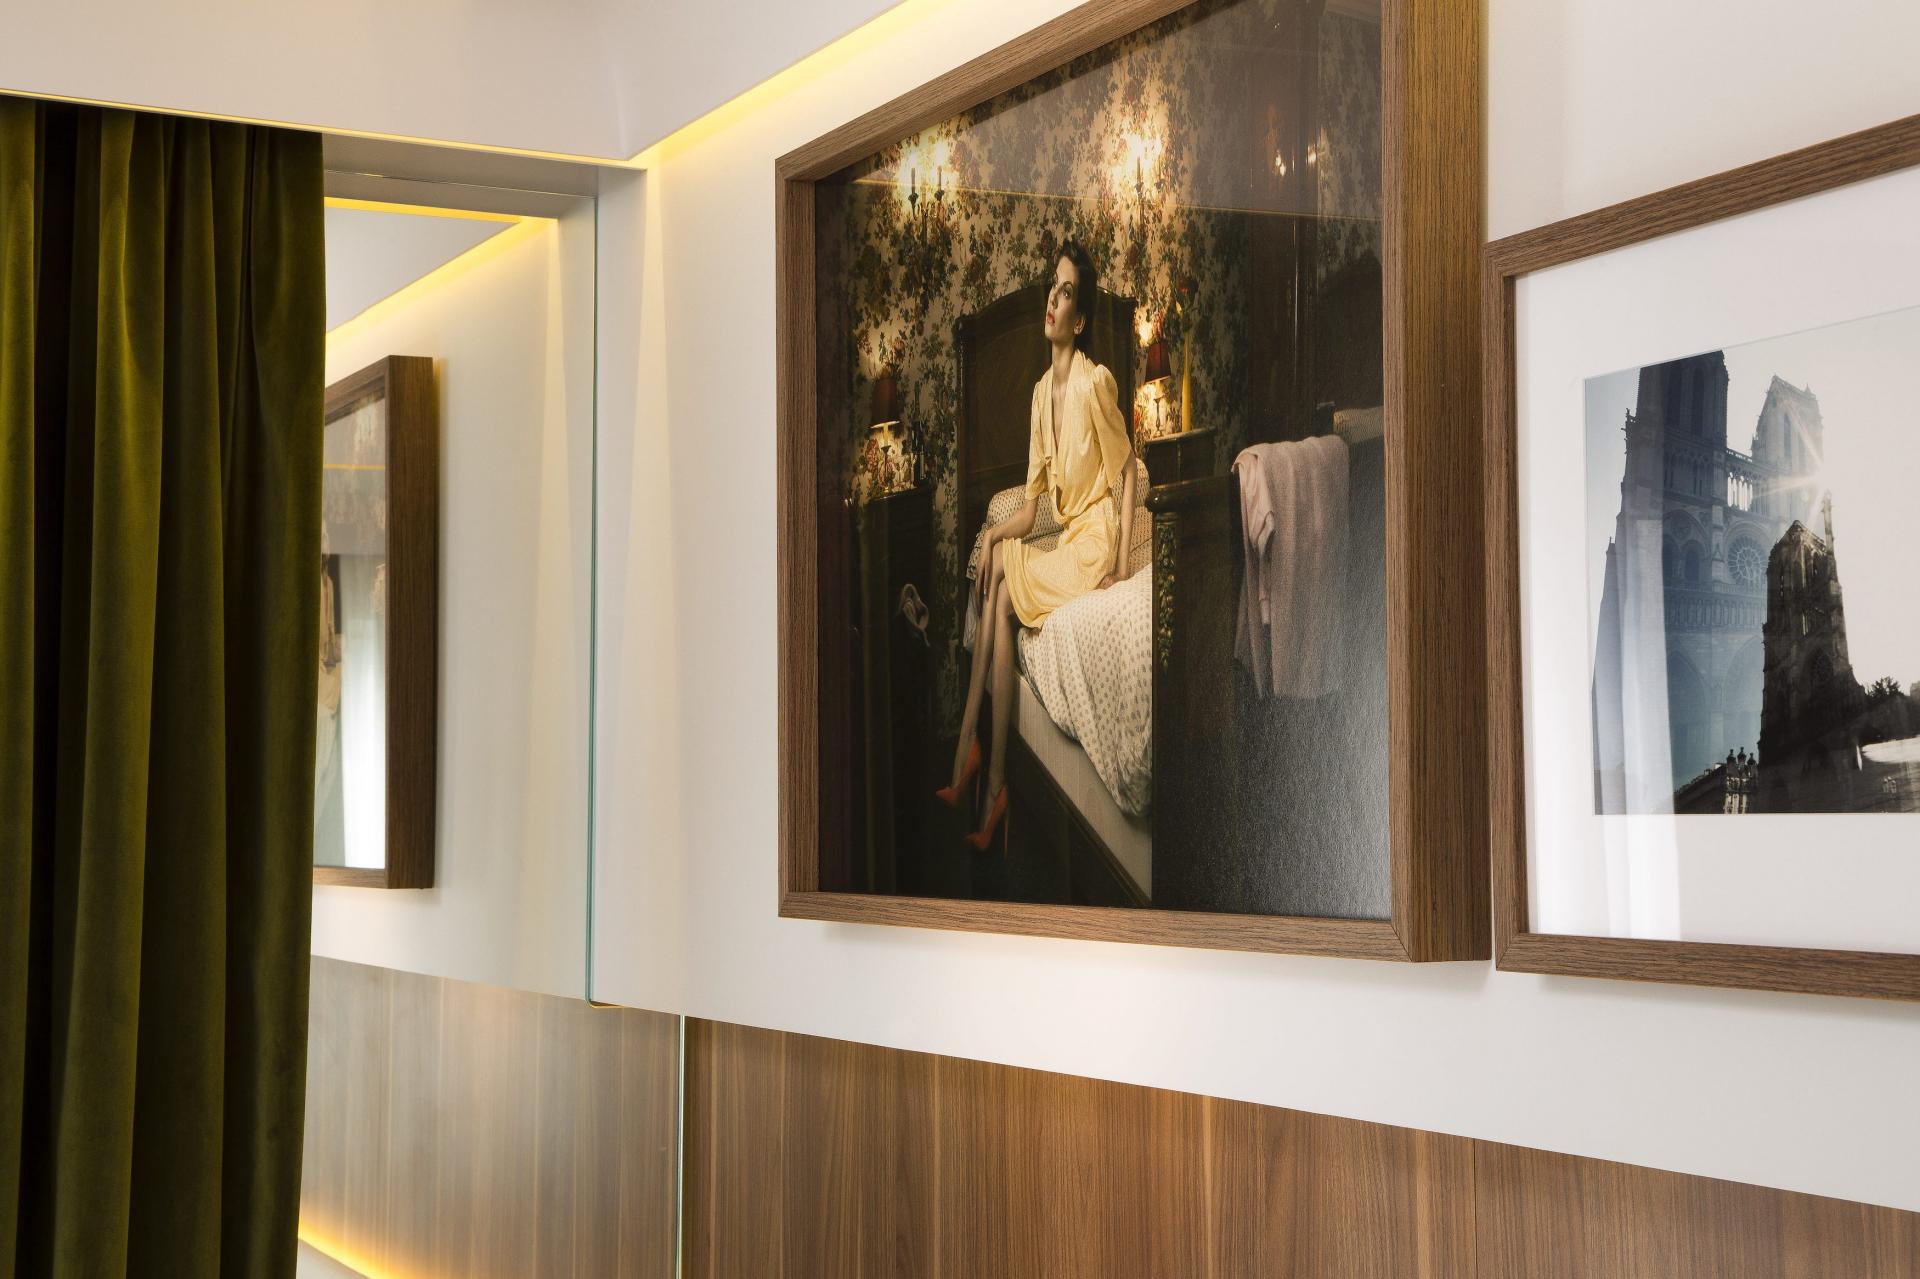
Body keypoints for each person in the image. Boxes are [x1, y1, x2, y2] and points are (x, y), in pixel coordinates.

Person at [938, 240, 1136, 851]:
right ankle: (990, 777)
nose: (1052, 299)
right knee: (999, 579)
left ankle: (971, 756)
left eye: (1066, 292)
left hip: (1096, 539)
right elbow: (1028, 511)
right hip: (1069, 537)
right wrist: (993, 535)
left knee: (1002, 587)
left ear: (1079, 319)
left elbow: (1128, 470)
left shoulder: (1095, 383)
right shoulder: (1037, 394)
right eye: (1053, 286)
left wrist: (1121, 565)